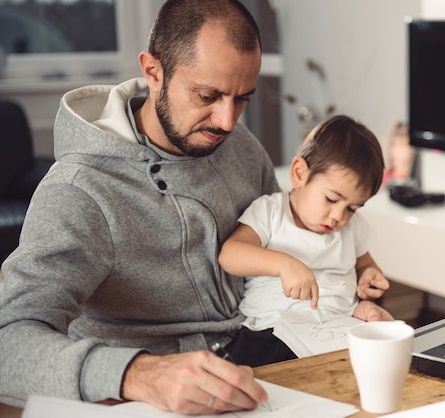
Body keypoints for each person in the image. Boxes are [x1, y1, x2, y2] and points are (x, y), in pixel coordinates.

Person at [0, 1, 395, 415]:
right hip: (148, 399)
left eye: (241, 98)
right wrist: (140, 374)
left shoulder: (238, 144)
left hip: (266, 367)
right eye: (207, 95)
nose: (226, 121)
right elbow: (9, 347)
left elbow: (287, 251)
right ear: (153, 71)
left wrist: (351, 301)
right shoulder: (80, 191)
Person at [219, 115, 394, 367]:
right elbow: (230, 254)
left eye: (352, 208)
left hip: (338, 326)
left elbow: (365, 264)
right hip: (273, 329)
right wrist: (283, 264)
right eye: (332, 200)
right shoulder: (271, 212)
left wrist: (369, 276)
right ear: (300, 174)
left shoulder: (352, 227)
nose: (338, 217)